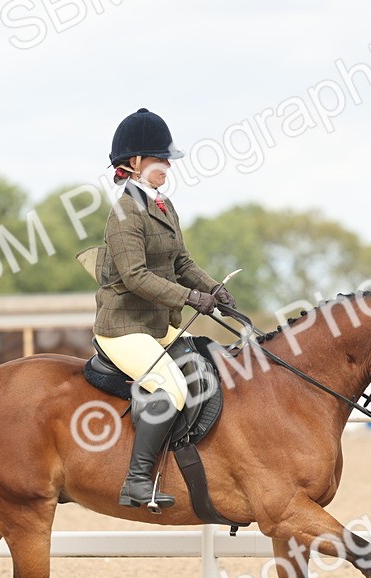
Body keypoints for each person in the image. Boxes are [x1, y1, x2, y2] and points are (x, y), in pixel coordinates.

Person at [92, 108, 235, 510]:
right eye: (160, 159)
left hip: (155, 324)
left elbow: (182, 264)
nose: (168, 166)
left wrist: (214, 290)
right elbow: (135, 277)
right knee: (170, 387)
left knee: (207, 358)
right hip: (123, 326)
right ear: (134, 163)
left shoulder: (162, 205)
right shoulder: (122, 215)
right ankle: (137, 482)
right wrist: (190, 299)